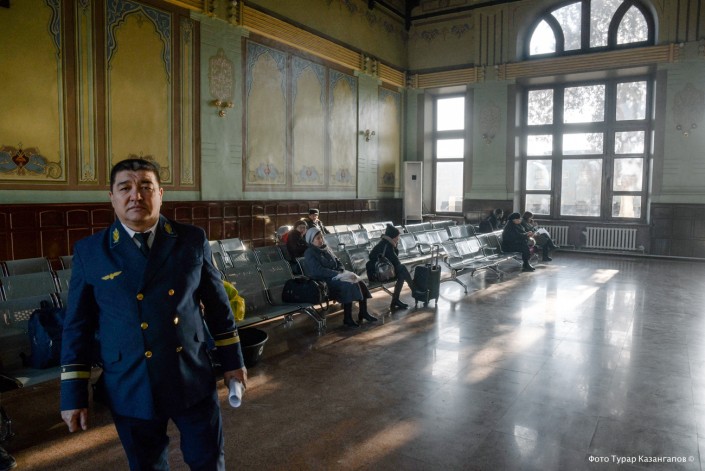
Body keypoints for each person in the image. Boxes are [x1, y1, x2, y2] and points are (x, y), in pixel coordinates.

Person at [60, 158, 247, 471]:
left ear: (160, 194)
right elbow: (77, 326)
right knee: (146, 465)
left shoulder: (191, 239)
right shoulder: (91, 251)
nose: (136, 195)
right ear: (112, 197)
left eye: (146, 186)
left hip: (190, 375)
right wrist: (72, 394)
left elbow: (218, 307)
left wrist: (233, 361)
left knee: (208, 461)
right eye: (125, 188)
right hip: (130, 383)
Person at [303, 227, 376, 327]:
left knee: (359, 281)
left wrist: (341, 270)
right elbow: (317, 270)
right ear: (311, 240)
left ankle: (363, 312)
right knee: (348, 285)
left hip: (337, 275)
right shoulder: (309, 252)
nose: (321, 240)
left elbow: (337, 261)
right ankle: (347, 318)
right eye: (318, 238)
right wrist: (336, 274)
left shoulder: (326, 248)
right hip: (324, 281)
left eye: (321, 237)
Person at [366, 224, 415, 310]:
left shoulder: (383, 243)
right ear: (392, 237)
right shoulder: (387, 246)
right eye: (397, 237)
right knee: (402, 268)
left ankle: (396, 300)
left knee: (401, 275)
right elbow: (396, 262)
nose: (398, 238)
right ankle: (414, 290)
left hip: (379, 273)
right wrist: (395, 247)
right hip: (378, 275)